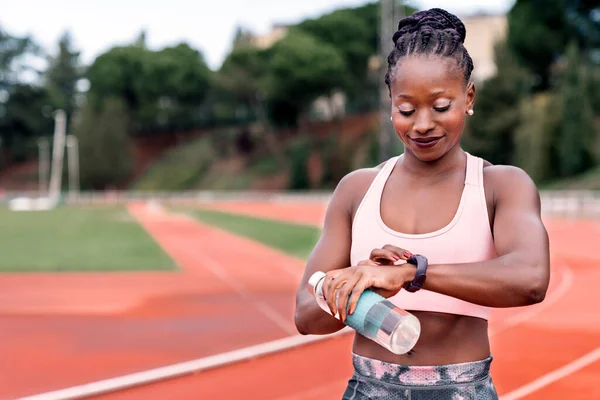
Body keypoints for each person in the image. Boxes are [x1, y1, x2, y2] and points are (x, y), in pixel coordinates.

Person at [294, 7, 550, 400]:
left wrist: (411, 274)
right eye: (406, 109)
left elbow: (530, 279)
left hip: (460, 390)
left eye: (441, 106)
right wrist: (364, 284)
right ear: (390, 103)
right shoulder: (356, 189)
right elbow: (306, 315)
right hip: (367, 390)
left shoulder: (500, 185)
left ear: (468, 97)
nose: (422, 124)